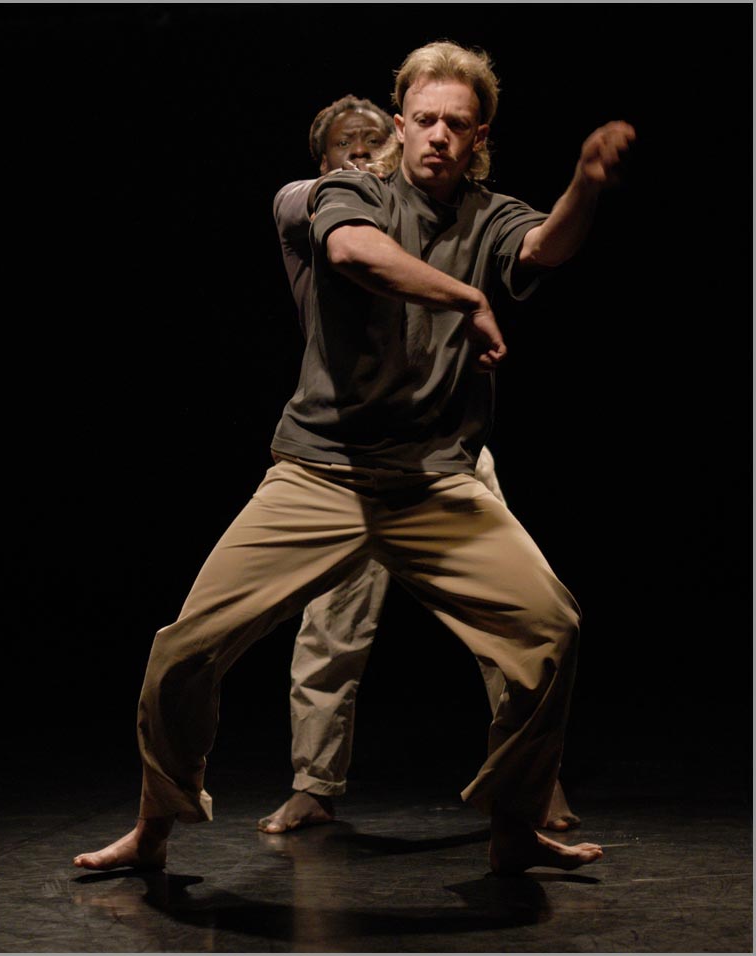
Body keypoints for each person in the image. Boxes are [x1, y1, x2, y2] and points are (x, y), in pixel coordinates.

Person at [74, 39, 634, 876]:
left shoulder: (490, 214)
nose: (439, 135)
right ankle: (155, 826)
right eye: (424, 119)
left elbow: (543, 249)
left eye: (457, 123)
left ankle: (515, 826)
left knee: (550, 629)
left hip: (434, 483)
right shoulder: (352, 190)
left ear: (479, 136)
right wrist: (466, 297)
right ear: (400, 124)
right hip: (320, 474)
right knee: (184, 651)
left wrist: (584, 185)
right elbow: (351, 253)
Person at [259, 93, 579, 836]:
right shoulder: (312, 204)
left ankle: (533, 780)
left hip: (445, 455)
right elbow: (345, 236)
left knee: (516, 622)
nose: (364, 154)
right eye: (347, 146)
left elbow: (529, 245)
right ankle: (314, 783)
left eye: (376, 141)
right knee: (329, 629)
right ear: (324, 161)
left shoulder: (442, 210)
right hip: (347, 461)